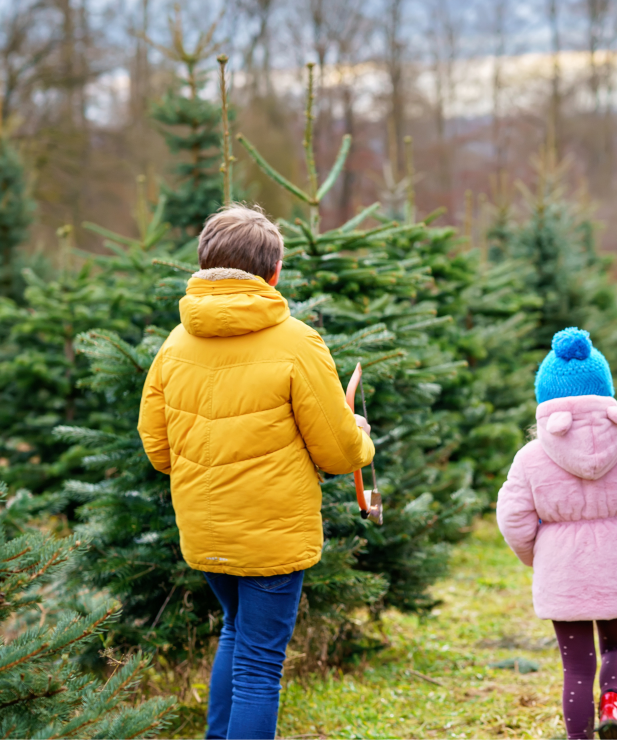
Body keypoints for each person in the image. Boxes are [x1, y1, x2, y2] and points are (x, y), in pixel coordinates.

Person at [137, 204, 375, 740]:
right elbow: (339, 454)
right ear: (273, 273)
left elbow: (157, 450)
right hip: (272, 537)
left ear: (205, 265)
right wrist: (360, 436)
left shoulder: (174, 345)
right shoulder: (298, 342)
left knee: (236, 632)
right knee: (260, 665)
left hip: (204, 531)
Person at [496, 327, 617, 740]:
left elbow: (513, 517)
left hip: (562, 567)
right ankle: (612, 708)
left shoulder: (531, 457)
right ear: (605, 391)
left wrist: (535, 555)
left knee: (576, 665)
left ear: (545, 399)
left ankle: (580, 738)